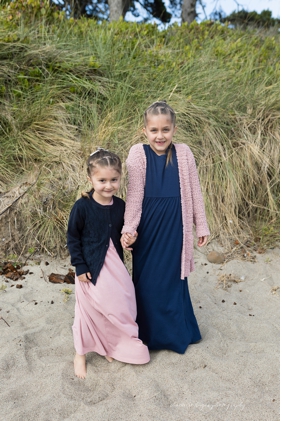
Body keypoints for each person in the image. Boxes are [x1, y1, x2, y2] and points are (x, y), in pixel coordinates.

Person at [121, 100, 209, 354]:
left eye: (165, 130)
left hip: (174, 227)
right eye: (154, 130)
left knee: (172, 279)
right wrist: (129, 228)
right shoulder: (138, 154)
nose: (160, 136)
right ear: (144, 131)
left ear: (174, 129)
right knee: (147, 281)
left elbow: (194, 191)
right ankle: (149, 334)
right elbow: (135, 195)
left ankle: (175, 334)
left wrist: (200, 225)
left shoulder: (183, 153)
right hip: (148, 228)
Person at [67, 148, 150, 378]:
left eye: (113, 180)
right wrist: (80, 266)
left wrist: (129, 238)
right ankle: (80, 354)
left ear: (120, 178)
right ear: (90, 179)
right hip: (91, 268)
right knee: (88, 311)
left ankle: (108, 345)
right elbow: (73, 238)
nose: (108, 185)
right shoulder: (82, 207)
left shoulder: (121, 205)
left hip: (115, 265)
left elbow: (125, 233)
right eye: (101, 180)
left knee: (121, 304)